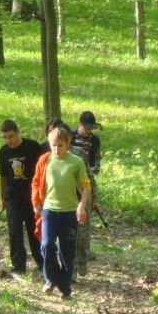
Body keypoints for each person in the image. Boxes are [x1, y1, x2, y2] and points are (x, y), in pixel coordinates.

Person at [31, 125, 90, 300]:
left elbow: (86, 187)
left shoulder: (76, 162)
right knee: (47, 244)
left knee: (67, 251)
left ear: (68, 143)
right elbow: (36, 181)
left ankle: (65, 288)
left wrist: (82, 206)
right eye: (53, 145)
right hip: (49, 210)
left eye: (60, 145)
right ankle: (51, 279)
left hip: (69, 212)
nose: (56, 149)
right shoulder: (44, 160)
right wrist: (36, 202)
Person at [0, 119, 44, 275]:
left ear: (18, 132)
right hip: (13, 197)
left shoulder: (32, 146)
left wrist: (42, 194)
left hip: (32, 196)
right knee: (15, 230)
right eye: (5, 137)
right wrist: (2, 198)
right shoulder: (3, 152)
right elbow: (3, 176)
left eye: (11, 136)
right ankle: (18, 267)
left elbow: (43, 169)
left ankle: (42, 262)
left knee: (34, 230)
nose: (8, 140)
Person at [70, 111, 101, 276]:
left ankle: (83, 260)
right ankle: (72, 267)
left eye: (91, 128)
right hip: (68, 190)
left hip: (85, 186)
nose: (89, 130)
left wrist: (94, 196)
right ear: (79, 124)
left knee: (83, 231)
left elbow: (95, 162)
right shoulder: (70, 137)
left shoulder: (94, 141)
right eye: (86, 127)